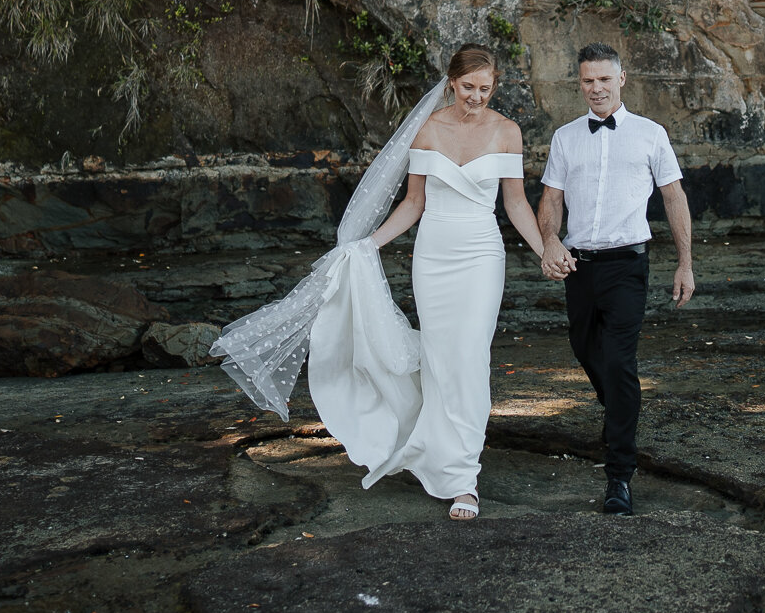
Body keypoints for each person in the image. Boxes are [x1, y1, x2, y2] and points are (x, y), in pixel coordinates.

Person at [208, 46, 547, 523]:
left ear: (495, 84)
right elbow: (413, 204)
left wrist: (544, 250)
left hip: (481, 256)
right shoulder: (429, 131)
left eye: (485, 88)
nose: (476, 97)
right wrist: (368, 244)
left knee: (470, 358)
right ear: (451, 83)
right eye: (468, 87)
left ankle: (463, 479)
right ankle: (436, 451)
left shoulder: (508, 132)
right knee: (438, 358)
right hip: (434, 257)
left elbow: (515, 204)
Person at [538, 42, 694, 516]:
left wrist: (685, 262)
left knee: (620, 361)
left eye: (604, 79)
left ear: (621, 79)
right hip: (578, 265)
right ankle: (619, 409)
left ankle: (619, 477)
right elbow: (551, 200)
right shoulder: (566, 137)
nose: (596, 88)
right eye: (588, 80)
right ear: (580, 83)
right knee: (586, 349)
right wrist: (550, 242)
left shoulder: (651, 134)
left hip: (628, 264)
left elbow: (673, 197)